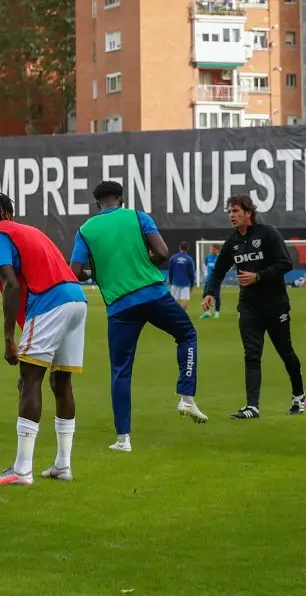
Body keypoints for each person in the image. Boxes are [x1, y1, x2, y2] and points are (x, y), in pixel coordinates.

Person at [71, 181, 206, 452]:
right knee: (187, 334)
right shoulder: (137, 216)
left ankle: (123, 439)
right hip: (153, 293)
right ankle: (186, 396)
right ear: (120, 198)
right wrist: (141, 263)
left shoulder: (85, 230)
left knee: (120, 371)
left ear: (97, 203)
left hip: (120, 306)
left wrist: (98, 274)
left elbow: (75, 271)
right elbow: (163, 253)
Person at [0, 193, 85, 486]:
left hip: (50, 300)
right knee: (61, 382)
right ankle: (63, 465)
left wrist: (9, 337)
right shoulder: (31, 230)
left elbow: (11, 283)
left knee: (29, 380)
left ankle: (22, 470)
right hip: (76, 300)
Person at [202, 194, 306, 419]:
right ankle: (252, 406)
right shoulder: (232, 243)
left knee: (285, 352)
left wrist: (258, 276)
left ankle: (299, 397)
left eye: (235, 211)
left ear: (248, 213)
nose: (231, 215)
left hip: (275, 305)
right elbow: (218, 271)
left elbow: (285, 263)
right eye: (229, 212)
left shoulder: (268, 233)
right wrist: (209, 292)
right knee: (251, 355)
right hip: (249, 307)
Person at [200, 249, 223, 319]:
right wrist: (205, 274)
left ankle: (217, 313)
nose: (211, 250)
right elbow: (204, 265)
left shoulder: (220, 257)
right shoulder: (208, 256)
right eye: (211, 249)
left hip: (216, 281)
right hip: (208, 280)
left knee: (217, 297)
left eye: (213, 249)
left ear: (217, 250)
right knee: (205, 296)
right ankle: (207, 312)